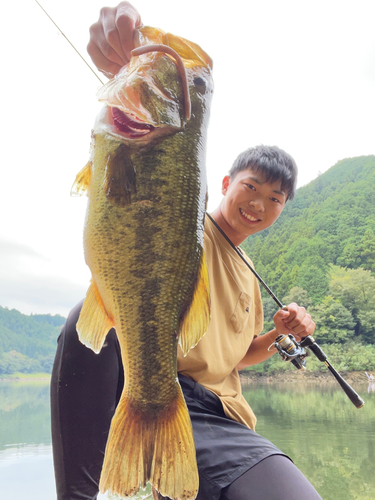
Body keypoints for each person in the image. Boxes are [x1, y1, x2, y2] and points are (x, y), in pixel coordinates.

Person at [51, 3, 322, 500]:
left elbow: (236, 359)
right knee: (79, 323)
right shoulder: (189, 226)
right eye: (252, 187)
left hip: (230, 416)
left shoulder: (248, 272)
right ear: (223, 183)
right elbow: (140, 212)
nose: (259, 205)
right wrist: (124, 49)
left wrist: (277, 335)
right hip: (181, 400)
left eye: (275, 200)